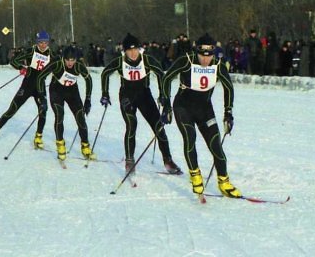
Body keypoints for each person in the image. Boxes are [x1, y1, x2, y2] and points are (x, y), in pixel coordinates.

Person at [161, 33, 241, 198]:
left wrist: (228, 113)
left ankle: (224, 182)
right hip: (183, 107)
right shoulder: (187, 60)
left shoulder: (218, 64)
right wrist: (166, 105)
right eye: (202, 56)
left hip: (205, 109)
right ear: (196, 52)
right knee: (190, 138)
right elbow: (167, 78)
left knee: (216, 145)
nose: (205, 60)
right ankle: (195, 175)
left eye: (209, 56)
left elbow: (229, 87)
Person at [100, 33, 181, 174]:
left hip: (144, 96)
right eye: (129, 50)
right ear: (124, 51)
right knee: (132, 125)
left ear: (139, 49)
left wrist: (163, 96)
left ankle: (168, 160)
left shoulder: (147, 60)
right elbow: (105, 73)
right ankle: (130, 161)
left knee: (158, 126)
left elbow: (161, 75)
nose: (133, 53)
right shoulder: (120, 61)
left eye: (135, 49)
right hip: (126, 96)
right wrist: (105, 94)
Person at [0, 31, 56, 147]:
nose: (43, 45)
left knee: (43, 111)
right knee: (12, 109)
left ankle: (38, 137)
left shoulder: (52, 55)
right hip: (27, 86)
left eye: (45, 42)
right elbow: (13, 61)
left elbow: (58, 69)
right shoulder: (31, 51)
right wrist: (22, 68)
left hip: (40, 87)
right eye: (41, 42)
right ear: (37, 42)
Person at [36, 46, 94, 161]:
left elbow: (89, 80)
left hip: (72, 92)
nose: (70, 63)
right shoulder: (57, 63)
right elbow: (40, 77)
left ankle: (85, 146)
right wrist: (42, 97)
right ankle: (60, 144)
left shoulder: (78, 66)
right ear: (64, 58)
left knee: (80, 117)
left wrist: (88, 100)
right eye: (68, 60)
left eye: (73, 60)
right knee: (59, 116)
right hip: (56, 91)